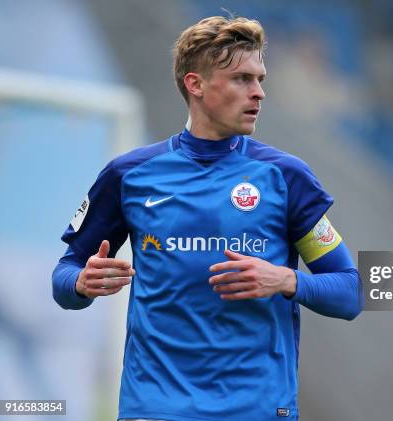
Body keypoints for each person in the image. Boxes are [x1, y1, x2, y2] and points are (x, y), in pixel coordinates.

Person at [52, 16, 363, 421]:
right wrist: (80, 283)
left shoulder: (287, 178)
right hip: (156, 409)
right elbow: (64, 276)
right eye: (242, 79)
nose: (259, 93)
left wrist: (286, 280)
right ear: (195, 84)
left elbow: (351, 292)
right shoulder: (129, 175)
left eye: (260, 79)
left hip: (257, 410)